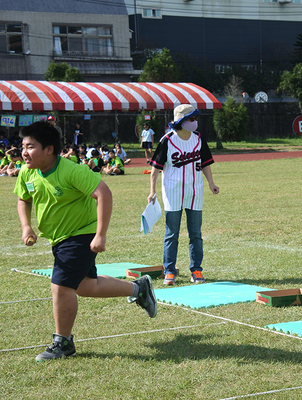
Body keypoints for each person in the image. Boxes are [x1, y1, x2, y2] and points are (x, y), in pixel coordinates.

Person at [14, 121, 157, 361]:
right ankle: (138, 288)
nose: (24, 152)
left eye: (30, 146)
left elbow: (104, 193)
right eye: (23, 146)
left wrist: (100, 234)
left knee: (60, 285)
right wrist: (27, 226)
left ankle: (63, 342)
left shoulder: (72, 171)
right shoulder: (27, 172)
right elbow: (23, 199)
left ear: (49, 149)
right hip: (59, 238)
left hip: (81, 234)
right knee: (86, 287)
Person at [148, 104, 220, 285]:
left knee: (195, 233)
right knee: (172, 233)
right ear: (180, 121)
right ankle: (169, 271)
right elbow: (155, 169)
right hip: (172, 192)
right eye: (191, 119)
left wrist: (211, 183)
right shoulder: (168, 140)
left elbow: (205, 163)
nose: (195, 122)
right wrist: (152, 191)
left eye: (196, 119)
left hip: (195, 191)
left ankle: (196, 270)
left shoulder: (198, 139)